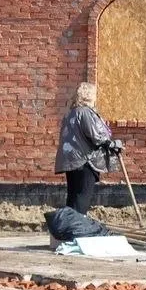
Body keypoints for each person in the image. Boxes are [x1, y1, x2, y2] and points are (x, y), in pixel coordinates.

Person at [53, 82, 121, 215]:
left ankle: (70, 223)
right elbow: (96, 136)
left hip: (71, 160)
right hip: (85, 161)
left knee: (73, 196)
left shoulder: (70, 113)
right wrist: (112, 144)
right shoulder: (85, 112)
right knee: (82, 196)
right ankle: (79, 222)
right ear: (89, 96)